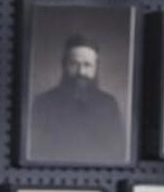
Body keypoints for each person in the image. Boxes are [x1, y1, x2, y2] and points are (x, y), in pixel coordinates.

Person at [28, 34, 127, 164]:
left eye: (87, 65)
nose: (81, 71)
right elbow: (36, 151)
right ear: (64, 65)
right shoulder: (43, 103)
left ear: (95, 68)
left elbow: (117, 153)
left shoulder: (109, 104)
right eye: (74, 64)